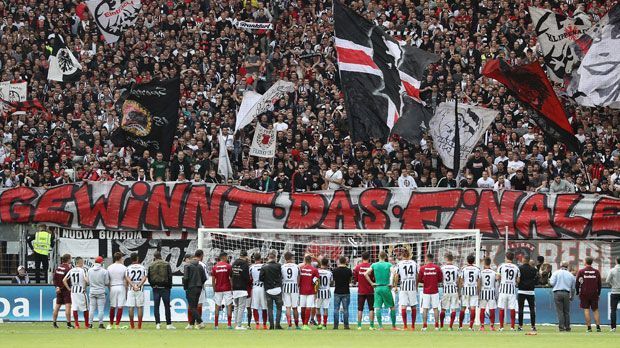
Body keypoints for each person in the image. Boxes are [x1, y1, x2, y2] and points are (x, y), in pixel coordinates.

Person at [364, 251, 399, 330]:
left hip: (378, 288)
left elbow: (365, 274)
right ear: (385, 257)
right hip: (386, 287)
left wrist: (372, 283)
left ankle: (380, 327)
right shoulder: (388, 264)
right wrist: (394, 285)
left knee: (377, 307)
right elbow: (395, 274)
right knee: (392, 307)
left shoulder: (374, 265)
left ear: (378, 256)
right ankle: (393, 326)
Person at [148, 251, 174, 330]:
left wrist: (152, 285)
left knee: (156, 306)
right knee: (167, 306)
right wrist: (169, 286)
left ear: (154, 256)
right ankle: (168, 324)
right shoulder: (166, 264)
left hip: (155, 288)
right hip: (165, 288)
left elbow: (149, 277)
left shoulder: (151, 265)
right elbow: (170, 276)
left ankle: (158, 324)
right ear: (161, 256)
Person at [393, 249, 418, 330]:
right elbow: (417, 275)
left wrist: (395, 286)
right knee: (413, 306)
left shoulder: (400, 263)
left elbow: (396, 275)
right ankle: (413, 326)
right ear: (409, 255)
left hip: (403, 286)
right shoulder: (414, 263)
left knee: (403, 306)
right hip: (412, 286)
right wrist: (416, 285)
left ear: (402, 255)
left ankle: (405, 326)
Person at [576, 256, 602, 332]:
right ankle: (598, 327)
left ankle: (589, 328)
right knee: (595, 310)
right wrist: (598, 293)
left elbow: (577, 283)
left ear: (585, 262)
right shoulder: (596, 272)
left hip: (584, 293)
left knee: (586, 309)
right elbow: (599, 284)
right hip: (594, 293)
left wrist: (577, 292)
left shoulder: (581, 271)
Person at [418, 253, 443, 331]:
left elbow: (419, 279)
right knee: (436, 308)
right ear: (433, 259)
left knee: (425, 308)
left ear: (426, 259)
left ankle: (424, 326)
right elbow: (440, 279)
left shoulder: (422, 268)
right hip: (435, 290)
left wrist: (426, 281)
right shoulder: (437, 268)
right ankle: (436, 326)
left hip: (426, 291)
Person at [259, 250, 284, 330]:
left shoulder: (264, 266)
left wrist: (267, 280)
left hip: (268, 290)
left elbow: (260, 278)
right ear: (275, 258)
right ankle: (277, 325)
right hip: (277, 289)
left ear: (268, 258)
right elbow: (281, 276)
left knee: (270, 308)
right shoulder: (279, 266)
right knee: (279, 308)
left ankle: (271, 325)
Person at [63, 257, 89, 329]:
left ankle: (77, 325)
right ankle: (87, 325)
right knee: (85, 308)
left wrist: (69, 288)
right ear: (80, 262)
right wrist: (89, 282)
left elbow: (64, 280)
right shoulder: (83, 270)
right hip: (81, 290)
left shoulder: (71, 270)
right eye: (82, 262)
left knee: (75, 307)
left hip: (73, 290)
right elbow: (86, 279)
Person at [549, 261, 576, 332]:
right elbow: (573, 288)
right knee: (566, 311)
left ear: (560, 265)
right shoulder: (571, 275)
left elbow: (551, 283)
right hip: (566, 293)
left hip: (557, 292)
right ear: (568, 266)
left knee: (560, 311)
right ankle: (567, 327)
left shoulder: (556, 273)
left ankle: (561, 327)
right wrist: (572, 296)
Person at [497, 251, 520, 331]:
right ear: (513, 258)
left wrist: (502, 279)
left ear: (506, 257)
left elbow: (497, 277)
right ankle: (512, 327)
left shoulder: (501, 266)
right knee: (512, 308)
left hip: (503, 290)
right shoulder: (516, 267)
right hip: (512, 290)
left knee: (502, 308)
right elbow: (518, 280)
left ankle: (501, 327)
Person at [183, 251, 207, 329]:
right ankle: (191, 324)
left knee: (192, 307)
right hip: (199, 288)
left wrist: (185, 287)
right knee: (195, 306)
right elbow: (204, 278)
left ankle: (200, 322)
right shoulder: (200, 266)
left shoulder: (187, 266)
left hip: (191, 287)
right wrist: (199, 284)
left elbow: (186, 278)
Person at [353, 251, 375, 330]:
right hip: (370, 290)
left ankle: (359, 326)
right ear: (369, 258)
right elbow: (374, 278)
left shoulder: (358, 267)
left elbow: (355, 279)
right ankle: (371, 326)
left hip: (361, 290)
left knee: (360, 309)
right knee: (371, 308)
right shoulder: (371, 267)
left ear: (362, 258)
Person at [125, 253, 147, 330]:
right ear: (137, 258)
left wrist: (133, 285)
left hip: (131, 289)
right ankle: (139, 326)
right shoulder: (142, 267)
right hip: (139, 289)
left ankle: (132, 326)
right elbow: (144, 277)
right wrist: (139, 285)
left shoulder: (128, 268)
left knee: (131, 307)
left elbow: (127, 277)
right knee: (140, 307)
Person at [212, 252, 233, 329]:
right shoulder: (229, 266)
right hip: (227, 288)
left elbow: (213, 280)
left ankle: (216, 325)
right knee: (229, 305)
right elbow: (231, 278)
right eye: (227, 257)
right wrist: (232, 288)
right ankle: (229, 324)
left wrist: (214, 289)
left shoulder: (215, 267)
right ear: (224, 257)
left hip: (218, 288)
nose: (227, 258)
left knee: (217, 306)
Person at [517, 256, 539, 332]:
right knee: (532, 309)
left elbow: (518, 279)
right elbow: (537, 280)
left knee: (520, 309)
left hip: (521, 291)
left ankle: (520, 326)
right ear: (529, 260)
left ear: (523, 260)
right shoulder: (534, 270)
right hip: (530, 291)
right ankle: (533, 326)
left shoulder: (519, 268)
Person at [459, 254, 480, 330]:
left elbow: (461, 280)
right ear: (473, 261)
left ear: (467, 261)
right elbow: (478, 281)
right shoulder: (477, 269)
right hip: (474, 290)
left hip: (465, 290)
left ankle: (460, 326)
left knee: (463, 308)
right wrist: (478, 290)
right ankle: (470, 327)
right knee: (473, 308)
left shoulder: (464, 269)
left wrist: (462, 288)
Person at [52, 253, 73, 329]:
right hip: (65, 290)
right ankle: (68, 324)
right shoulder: (68, 269)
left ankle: (54, 322)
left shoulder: (58, 268)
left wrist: (57, 287)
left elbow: (54, 278)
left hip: (58, 290)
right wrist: (64, 287)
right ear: (68, 259)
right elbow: (68, 280)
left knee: (57, 306)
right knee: (68, 306)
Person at [107, 252, 127, 329]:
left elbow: (108, 280)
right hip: (121, 286)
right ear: (121, 258)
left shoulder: (109, 267)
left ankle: (111, 324)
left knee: (112, 306)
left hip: (113, 286)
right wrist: (126, 288)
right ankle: (117, 324)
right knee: (120, 306)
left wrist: (110, 288)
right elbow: (125, 279)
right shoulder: (124, 267)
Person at [299, 255, 319, 330]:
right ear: (311, 261)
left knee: (302, 308)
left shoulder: (301, 269)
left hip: (302, 291)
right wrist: (316, 292)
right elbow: (316, 282)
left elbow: (299, 280)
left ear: (304, 260)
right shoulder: (314, 270)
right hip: (310, 291)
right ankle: (305, 324)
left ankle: (303, 324)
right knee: (308, 307)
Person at [88, 256, 109, 329]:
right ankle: (100, 324)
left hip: (92, 291)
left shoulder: (90, 270)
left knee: (92, 308)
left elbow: (89, 281)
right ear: (101, 262)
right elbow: (107, 282)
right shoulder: (104, 271)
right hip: (100, 291)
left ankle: (90, 324)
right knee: (101, 309)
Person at [440, 253, 460, 330]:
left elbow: (440, 279)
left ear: (446, 259)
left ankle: (441, 327)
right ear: (452, 259)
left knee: (443, 309)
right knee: (453, 309)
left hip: (446, 290)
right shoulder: (456, 268)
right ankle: (450, 326)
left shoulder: (442, 268)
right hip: (454, 290)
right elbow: (458, 280)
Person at [231, 250, 251, 330]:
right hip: (242, 288)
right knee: (241, 307)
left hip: (235, 287)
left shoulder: (234, 263)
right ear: (246, 256)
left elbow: (231, 276)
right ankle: (239, 325)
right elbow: (247, 277)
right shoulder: (245, 264)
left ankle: (236, 323)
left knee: (236, 306)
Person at [281, 251, 301, 329]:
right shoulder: (296, 266)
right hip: (294, 287)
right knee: (295, 307)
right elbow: (299, 277)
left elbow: (281, 277)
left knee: (288, 307)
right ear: (291, 258)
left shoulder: (282, 267)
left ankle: (289, 325)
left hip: (285, 287)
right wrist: (297, 285)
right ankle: (296, 325)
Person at [332, 256, 352, 330]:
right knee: (346, 309)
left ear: (339, 261)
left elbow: (333, 280)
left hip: (337, 291)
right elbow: (350, 281)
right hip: (346, 291)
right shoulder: (349, 270)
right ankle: (346, 326)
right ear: (345, 262)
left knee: (336, 309)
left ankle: (335, 326)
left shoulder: (335, 270)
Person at [250, 253, 268, 329]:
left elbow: (250, 277)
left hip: (255, 288)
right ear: (261, 259)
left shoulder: (251, 267)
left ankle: (257, 324)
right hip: (263, 287)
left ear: (254, 259)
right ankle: (264, 324)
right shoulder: (265, 266)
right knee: (264, 307)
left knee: (255, 306)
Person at [479, 257, 498, 331]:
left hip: (483, 292)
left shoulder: (481, 272)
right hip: (491, 292)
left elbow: (479, 283)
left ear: (484, 263)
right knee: (492, 310)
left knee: (482, 310)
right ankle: (492, 326)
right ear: (490, 263)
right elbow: (496, 282)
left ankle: (482, 326)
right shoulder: (494, 272)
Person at [315, 258, 333, 330]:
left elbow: (315, 282)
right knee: (325, 309)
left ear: (321, 263)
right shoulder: (330, 273)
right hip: (326, 292)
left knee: (318, 308)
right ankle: (324, 325)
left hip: (318, 292)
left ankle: (319, 324)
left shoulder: (317, 271)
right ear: (327, 264)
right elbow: (332, 282)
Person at [606, 256, 620, 332]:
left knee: (613, 310)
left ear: (616, 261)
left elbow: (607, 280)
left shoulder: (612, 270)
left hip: (615, 292)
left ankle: (613, 327)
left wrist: (613, 285)